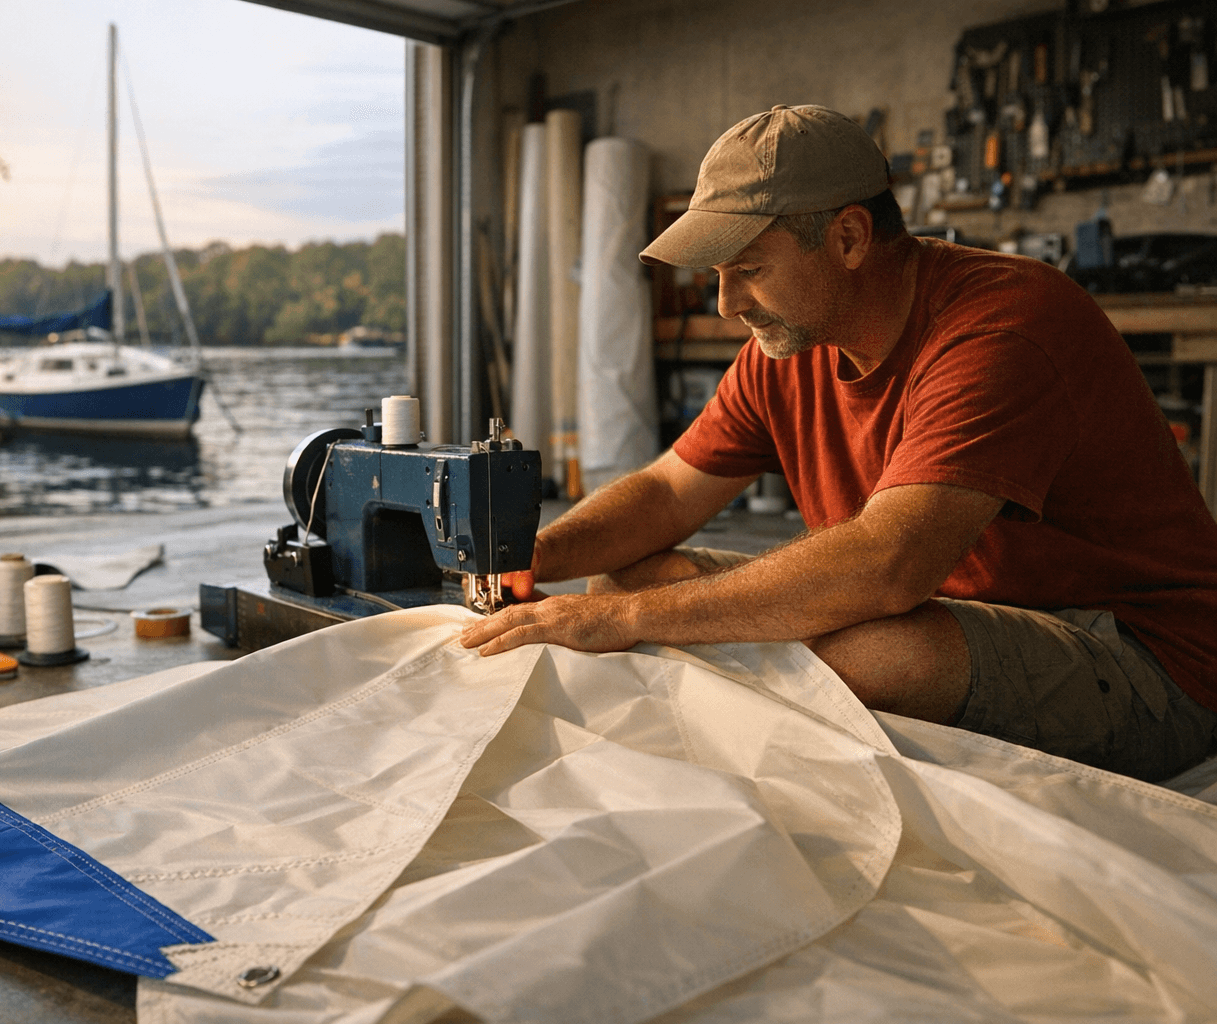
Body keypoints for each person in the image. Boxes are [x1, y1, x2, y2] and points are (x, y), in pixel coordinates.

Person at [461, 103, 1217, 781]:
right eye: (719, 277)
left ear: (850, 237)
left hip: (1146, 659)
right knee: (625, 580)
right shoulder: (787, 350)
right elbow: (665, 492)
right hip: (949, 607)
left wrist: (621, 626)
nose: (728, 306)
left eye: (749, 269)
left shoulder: (1005, 326)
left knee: (872, 657)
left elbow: (889, 564)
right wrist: (532, 556)